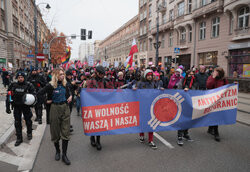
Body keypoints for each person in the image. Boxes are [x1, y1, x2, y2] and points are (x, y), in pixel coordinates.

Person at [37, 69, 72, 165]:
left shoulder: (66, 84)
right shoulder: (50, 85)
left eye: (63, 74)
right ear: (56, 75)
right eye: (60, 74)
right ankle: (58, 151)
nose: (62, 76)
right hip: (54, 108)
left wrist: (71, 96)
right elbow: (39, 93)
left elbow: (70, 92)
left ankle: (64, 155)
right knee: (55, 132)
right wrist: (45, 101)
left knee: (66, 132)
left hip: (65, 108)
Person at [86, 65, 113, 151]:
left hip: (101, 105)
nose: (102, 76)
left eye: (103, 74)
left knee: (99, 124)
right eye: (101, 74)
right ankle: (92, 138)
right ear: (97, 73)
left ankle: (98, 141)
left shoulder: (105, 81)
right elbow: (87, 92)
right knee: (93, 123)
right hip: (92, 105)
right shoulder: (90, 81)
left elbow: (112, 89)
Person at [6, 72, 36, 146]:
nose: (20, 78)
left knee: (28, 121)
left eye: (22, 77)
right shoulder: (13, 85)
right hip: (16, 106)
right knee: (17, 122)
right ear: (17, 78)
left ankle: (29, 133)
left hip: (26, 107)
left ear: (24, 77)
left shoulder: (29, 85)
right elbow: (8, 96)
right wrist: (7, 107)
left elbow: (35, 96)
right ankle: (19, 138)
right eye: (19, 77)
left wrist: (32, 104)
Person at [134, 69, 158, 149]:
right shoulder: (140, 83)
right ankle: (141, 135)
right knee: (142, 121)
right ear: (145, 76)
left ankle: (150, 140)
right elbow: (133, 87)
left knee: (151, 123)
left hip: (151, 106)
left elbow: (156, 91)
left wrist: (161, 89)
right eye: (148, 75)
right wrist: (134, 89)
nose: (150, 77)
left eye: (151, 75)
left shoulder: (153, 83)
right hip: (142, 106)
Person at [206, 67, 228, 142]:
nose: (215, 73)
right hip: (212, 99)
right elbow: (208, 86)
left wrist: (233, 86)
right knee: (215, 115)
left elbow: (227, 88)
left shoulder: (224, 79)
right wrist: (213, 78)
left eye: (216, 72)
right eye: (215, 71)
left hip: (219, 100)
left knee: (216, 115)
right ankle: (216, 133)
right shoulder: (211, 77)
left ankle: (210, 129)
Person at [177, 70, 195, 146]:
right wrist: (184, 90)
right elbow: (178, 89)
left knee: (189, 119)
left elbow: (196, 90)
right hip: (183, 103)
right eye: (190, 74)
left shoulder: (194, 81)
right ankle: (179, 136)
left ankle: (185, 133)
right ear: (187, 75)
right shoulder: (182, 81)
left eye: (192, 74)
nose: (191, 76)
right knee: (182, 119)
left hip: (191, 102)